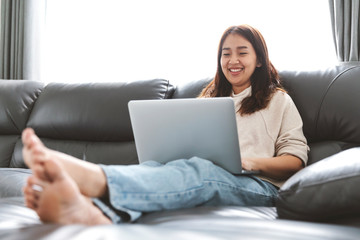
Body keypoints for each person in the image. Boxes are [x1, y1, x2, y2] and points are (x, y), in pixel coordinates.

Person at [22, 24, 309, 225]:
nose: (232, 60)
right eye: (226, 53)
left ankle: (95, 179)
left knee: (200, 172)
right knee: (155, 169)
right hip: (207, 172)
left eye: (242, 52)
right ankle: (91, 212)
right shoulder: (207, 99)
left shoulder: (278, 100)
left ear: (259, 59)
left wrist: (250, 162)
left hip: (260, 186)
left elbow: (295, 161)